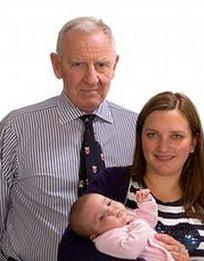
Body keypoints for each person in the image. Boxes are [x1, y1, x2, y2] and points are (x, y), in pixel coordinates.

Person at [0, 17, 137, 260]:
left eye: (102, 65)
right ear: (57, 65)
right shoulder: (17, 128)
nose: (92, 78)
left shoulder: (139, 129)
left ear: (115, 65)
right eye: (78, 64)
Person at [58, 91, 204, 261]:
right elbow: (69, 253)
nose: (163, 147)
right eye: (153, 135)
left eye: (176, 136)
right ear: (140, 138)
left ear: (194, 142)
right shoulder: (112, 183)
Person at [68, 189, 173, 260]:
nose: (111, 210)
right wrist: (139, 224)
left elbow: (149, 221)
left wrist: (146, 203)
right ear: (95, 235)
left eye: (108, 203)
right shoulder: (106, 240)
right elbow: (131, 250)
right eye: (102, 217)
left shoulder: (126, 217)